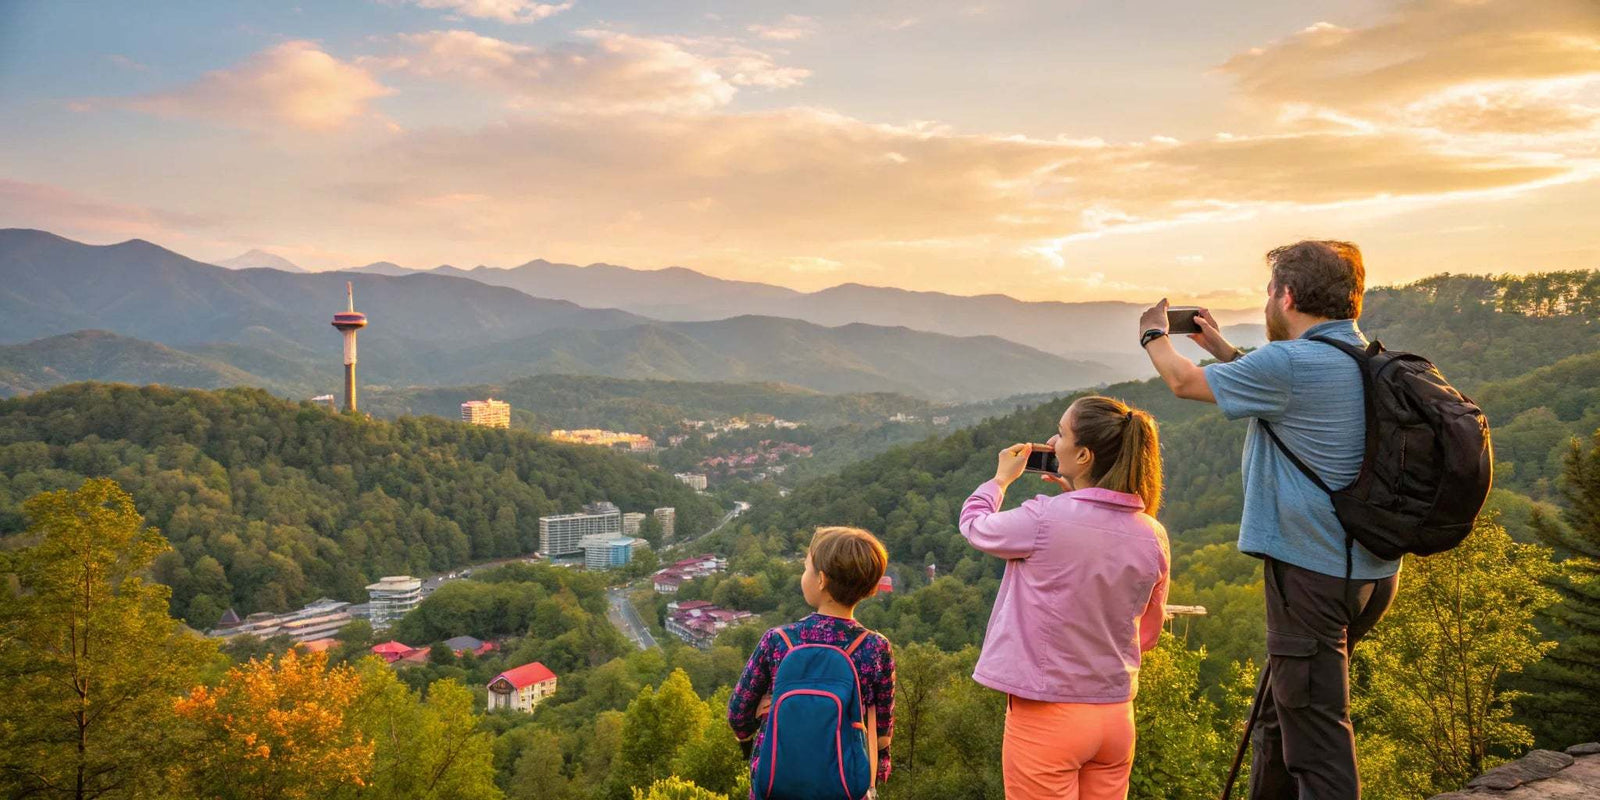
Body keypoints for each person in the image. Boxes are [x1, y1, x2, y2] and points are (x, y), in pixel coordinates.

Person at [1137, 240, 1399, 799]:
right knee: (1282, 717)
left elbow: (1184, 383)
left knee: (1316, 737)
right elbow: (1279, 391)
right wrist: (1221, 347)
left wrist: (1152, 334)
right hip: (1372, 573)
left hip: (1312, 574)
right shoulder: (1364, 357)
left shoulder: (1291, 363)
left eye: (1267, 292)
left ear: (1285, 295)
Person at [959, 395, 1170, 800]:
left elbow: (975, 526)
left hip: (1047, 714)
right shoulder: (1152, 533)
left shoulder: (1044, 517)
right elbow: (1147, 633)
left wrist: (1000, 480)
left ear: (1085, 454)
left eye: (1061, 433)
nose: (1053, 443)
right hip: (1114, 716)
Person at [728, 526, 895, 797]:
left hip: (777, 786)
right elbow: (883, 735)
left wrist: (758, 719)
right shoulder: (876, 648)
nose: (803, 575)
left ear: (821, 580)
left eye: (806, 568)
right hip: (843, 787)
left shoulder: (778, 640)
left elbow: (738, 716)